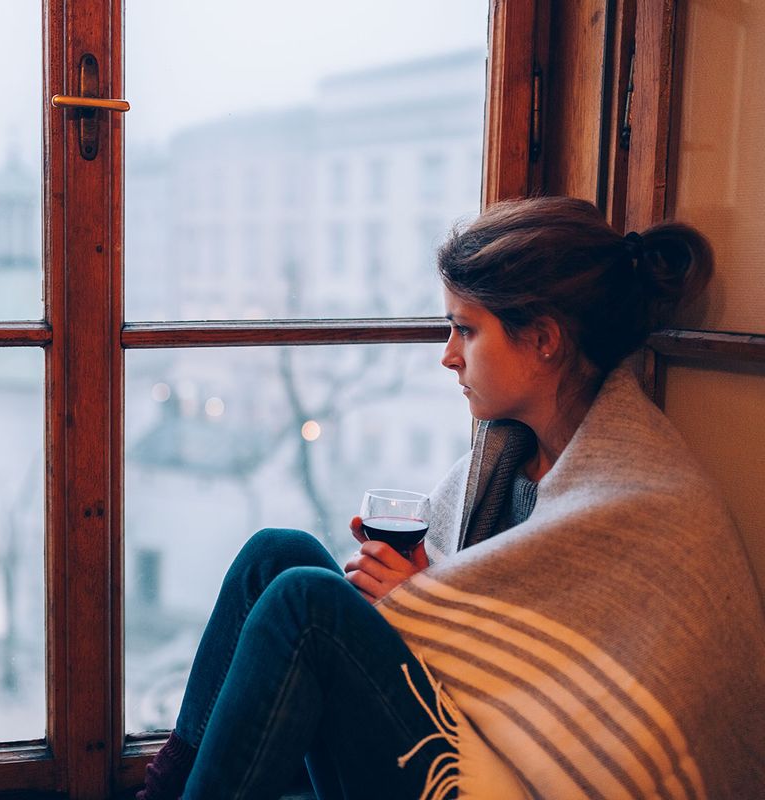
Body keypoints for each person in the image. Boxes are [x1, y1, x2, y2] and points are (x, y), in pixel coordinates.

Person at [136, 197, 765, 799]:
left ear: (544, 338)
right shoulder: (508, 458)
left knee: (307, 604)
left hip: (521, 777)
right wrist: (425, 592)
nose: (448, 356)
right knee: (276, 556)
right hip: (461, 735)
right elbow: (490, 624)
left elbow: (589, 712)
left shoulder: (648, 501)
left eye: (466, 329)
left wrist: (422, 604)